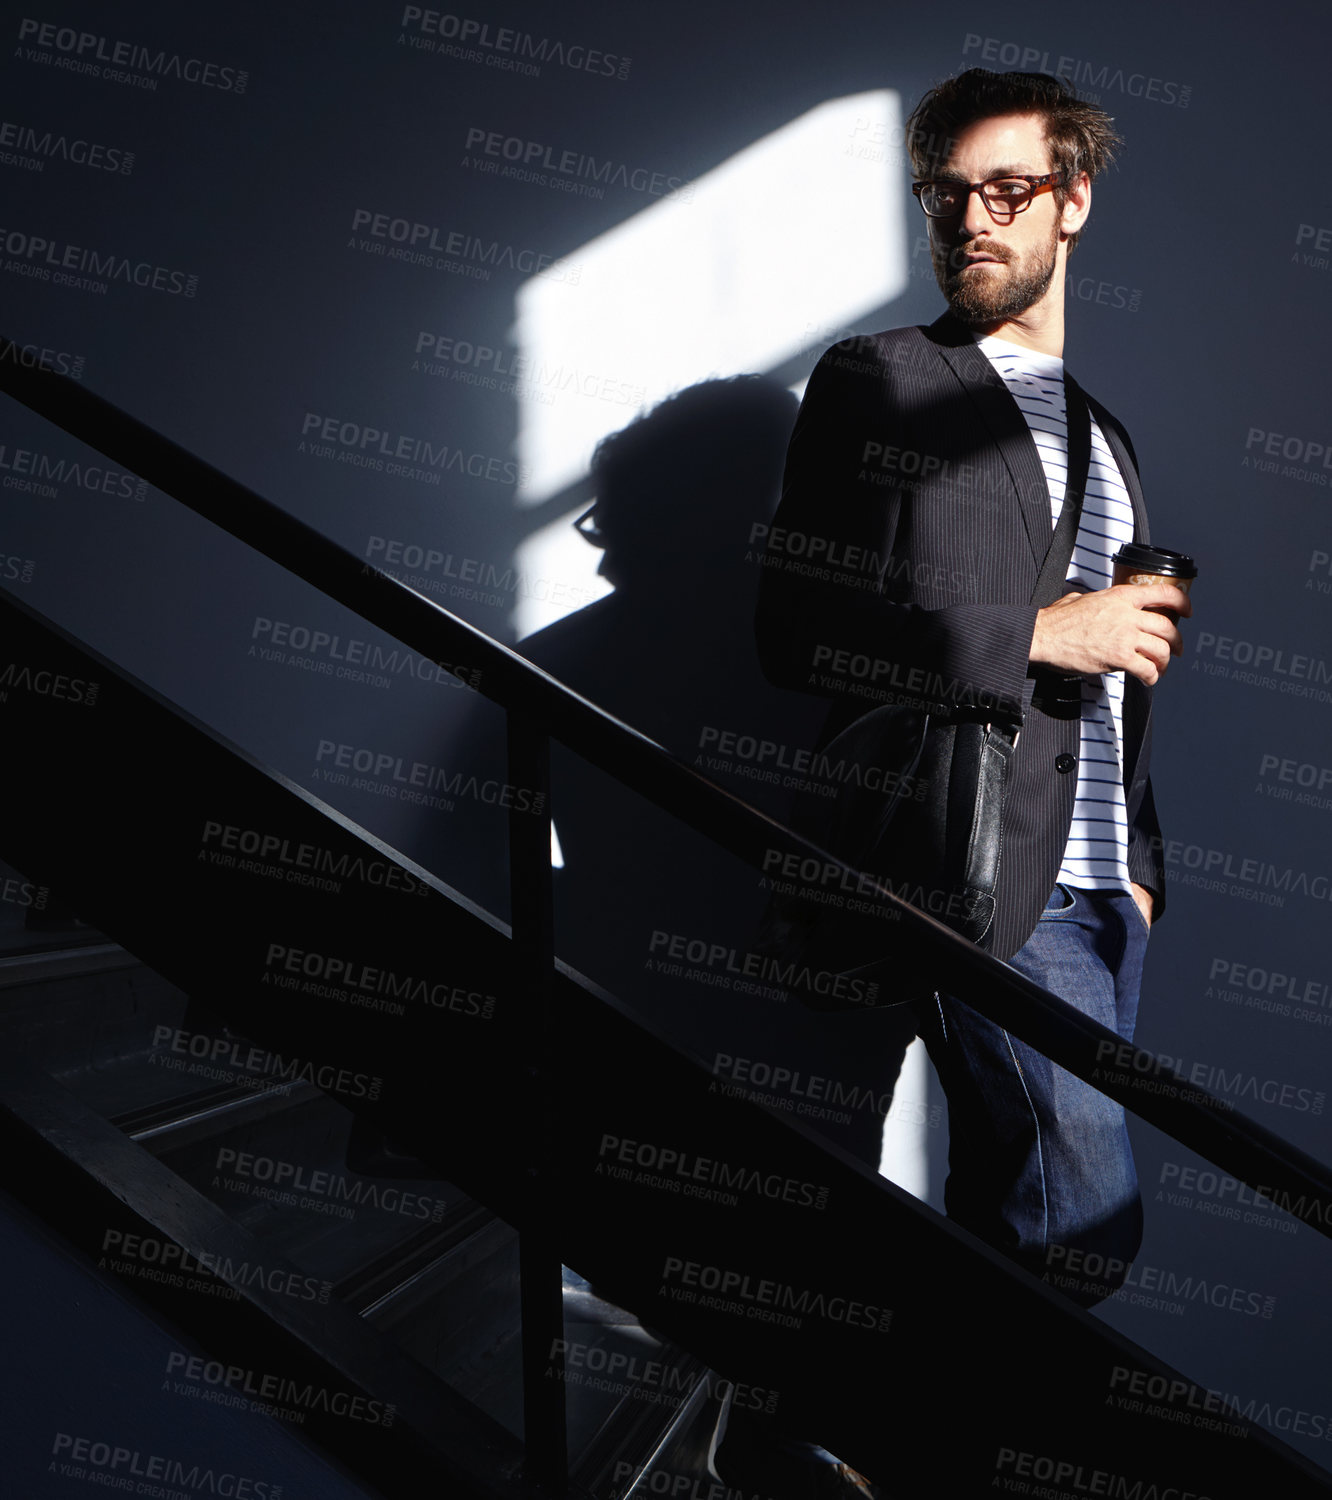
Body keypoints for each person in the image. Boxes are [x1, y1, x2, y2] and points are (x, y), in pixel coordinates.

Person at [754, 67, 1193, 1309]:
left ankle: (872, 1448)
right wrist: (1041, 635)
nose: (973, 221)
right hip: (973, 861)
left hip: (1105, 887)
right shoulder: (879, 379)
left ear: (1074, 200)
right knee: (1078, 1226)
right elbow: (795, 628)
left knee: (1005, 1208)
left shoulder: (1110, 439)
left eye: (1009, 188)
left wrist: (1145, 867)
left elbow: (1123, 681)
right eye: (946, 196)